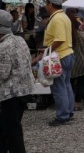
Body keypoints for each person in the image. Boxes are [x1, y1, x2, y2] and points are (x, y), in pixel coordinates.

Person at [0, 10, 35, 153]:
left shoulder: (3, 47)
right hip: (24, 90)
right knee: (9, 128)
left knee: (11, 131)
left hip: (10, 94)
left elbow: (2, 74)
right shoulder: (19, 40)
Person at [43, 0, 75, 126]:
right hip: (68, 54)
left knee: (59, 87)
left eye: (46, 3)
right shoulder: (63, 16)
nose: (45, 6)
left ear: (50, 4)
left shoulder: (56, 19)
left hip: (60, 55)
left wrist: (47, 50)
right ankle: (68, 111)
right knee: (66, 85)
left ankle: (62, 115)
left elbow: (60, 38)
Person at [67, 8, 84, 111]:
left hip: (69, 61)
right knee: (81, 82)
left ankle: (68, 102)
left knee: (69, 83)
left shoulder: (66, 35)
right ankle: (78, 102)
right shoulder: (82, 35)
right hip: (82, 62)